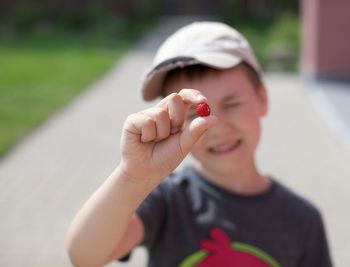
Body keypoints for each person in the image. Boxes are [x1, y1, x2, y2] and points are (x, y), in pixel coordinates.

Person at [67, 21, 333, 267]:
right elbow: (85, 256)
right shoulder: (166, 200)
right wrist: (132, 176)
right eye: (195, 114)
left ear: (262, 98)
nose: (215, 125)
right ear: (173, 121)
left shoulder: (303, 219)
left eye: (232, 104)